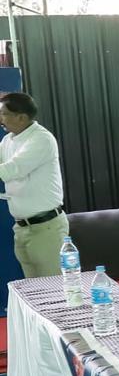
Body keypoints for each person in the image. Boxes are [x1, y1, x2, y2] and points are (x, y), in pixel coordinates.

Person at [0, 92, 68, 277]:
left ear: (21, 117)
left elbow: (12, 169)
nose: (1, 119)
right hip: (22, 229)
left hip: (46, 229)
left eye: (4, 114)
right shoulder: (8, 140)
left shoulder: (41, 139)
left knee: (53, 288)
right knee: (33, 290)